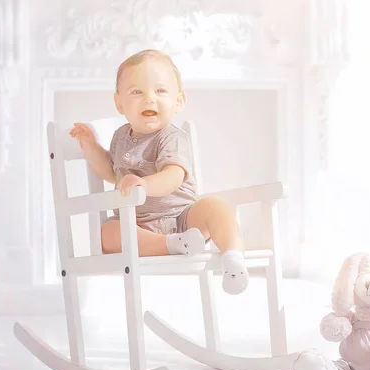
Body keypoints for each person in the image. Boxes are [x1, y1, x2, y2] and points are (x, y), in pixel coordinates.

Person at [69, 49, 248, 295]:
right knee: (107, 233)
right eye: (136, 92)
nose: (149, 99)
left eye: (161, 91)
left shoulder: (171, 136)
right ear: (120, 103)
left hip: (184, 219)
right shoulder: (120, 137)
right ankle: (170, 245)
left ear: (179, 101)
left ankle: (233, 260)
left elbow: (174, 175)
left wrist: (144, 185)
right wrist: (91, 146)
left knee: (216, 207)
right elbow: (112, 174)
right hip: (138, 226)